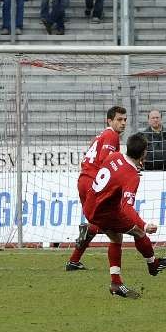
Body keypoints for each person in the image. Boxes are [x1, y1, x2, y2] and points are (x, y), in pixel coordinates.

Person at [81, 134, 166, 298]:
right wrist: (144, 224)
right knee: (138, 232)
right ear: (144, 153)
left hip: (91, 205)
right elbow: (127, 207)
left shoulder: (114, 156)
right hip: (105, 212)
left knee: (116, 238)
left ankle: (116, 283)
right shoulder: (131, 175)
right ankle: (153, 265)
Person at [66, 105, 127, 271]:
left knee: (98, 220)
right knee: (111, 223)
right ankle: (90, 229)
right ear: (109, 121)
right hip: (95, 182)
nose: (123, 123)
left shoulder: (101, 136)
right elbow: (104, 160)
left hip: (83, 180)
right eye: (119, 120)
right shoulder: (112, 136)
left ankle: (74, 261)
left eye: (125, 120)